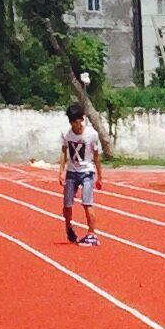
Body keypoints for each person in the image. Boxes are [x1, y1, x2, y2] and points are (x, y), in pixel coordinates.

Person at [58, 102, 104, 244]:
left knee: (87, 202)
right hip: (72, 172)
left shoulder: (91, 134)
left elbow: (96, 156)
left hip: (87, 172)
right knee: (67, 203)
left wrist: (99, 176)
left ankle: (92, 233)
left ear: (82, 120)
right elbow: (64, 152)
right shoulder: (67, 134)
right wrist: (61, 172)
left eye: (77, 122)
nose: (74, 126)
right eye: (72, 122)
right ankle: (68, 227)